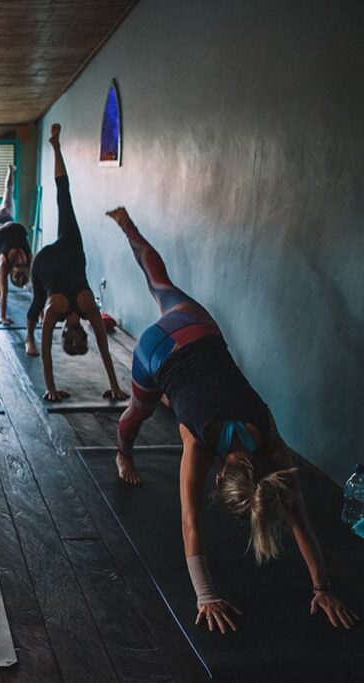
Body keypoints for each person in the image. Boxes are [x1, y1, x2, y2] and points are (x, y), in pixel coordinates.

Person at [106, 206, 359, 633]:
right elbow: (190, 522)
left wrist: (322, 585)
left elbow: (298, 514)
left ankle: (129, 226)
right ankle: (123, 455)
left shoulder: (270, 437)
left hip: (198, 330)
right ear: (220, 478)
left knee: (159, 285)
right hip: (155, 351)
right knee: (138, 411)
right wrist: (205, 595)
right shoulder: (199, 446)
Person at [24, 124, 127, 403]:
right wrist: (51, 388)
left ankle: (56, 146)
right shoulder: (59, 311)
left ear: (81, 333)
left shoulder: (85, 307)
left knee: (63, 196)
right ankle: (28, 337)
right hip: (46, 261)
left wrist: (52, 389)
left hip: (67, 252)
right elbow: (49, 352)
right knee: (35, 305)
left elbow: (102, 348)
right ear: (65, 335)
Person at [0, 164, 32, 325]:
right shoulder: (6, 262)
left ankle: (11, 171)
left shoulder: (28, 258)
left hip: (4, 221)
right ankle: (10, 171)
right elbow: (4, 292)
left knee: (8, 192)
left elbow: (37, 288)